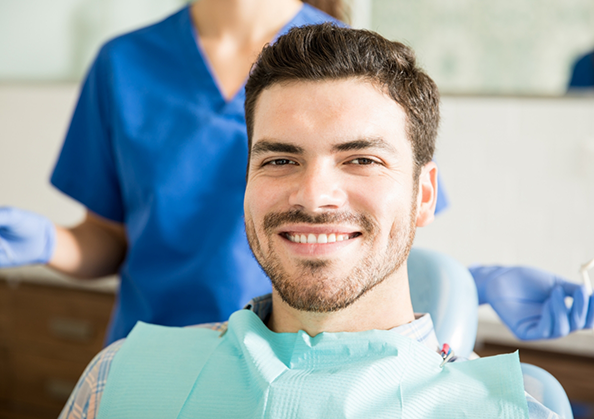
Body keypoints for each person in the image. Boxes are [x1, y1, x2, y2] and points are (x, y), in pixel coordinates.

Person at [0, 0, 591, 345]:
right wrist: (50, 242)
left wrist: (472, 286)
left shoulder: (347, 57)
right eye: (279, 157)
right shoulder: (124, 64)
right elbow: (111, 237)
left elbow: (373, 229)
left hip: (307, 358)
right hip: (159, 346)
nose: (313, 189)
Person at [60, 24, 558, 419]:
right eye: (279, 160)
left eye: (361, 159)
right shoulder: (119, 381)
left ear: (423, 195)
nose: (314, 196)